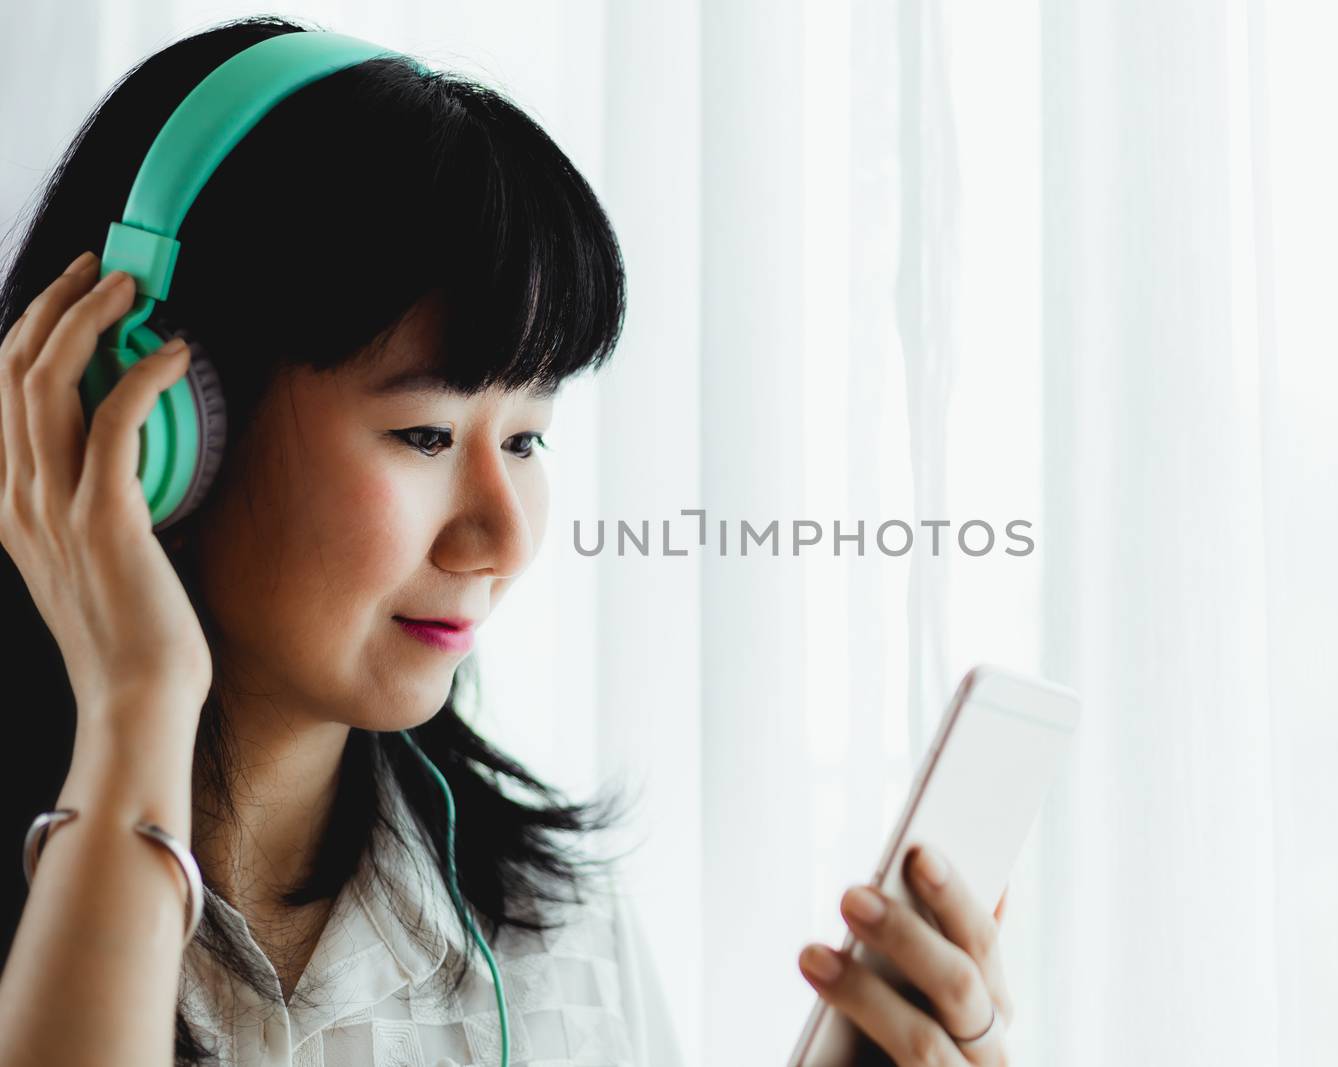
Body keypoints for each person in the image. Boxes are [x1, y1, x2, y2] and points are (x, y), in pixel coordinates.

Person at [0, 15, 1017, 1067]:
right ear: (145, 418)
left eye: (527, 436)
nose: (504, 535)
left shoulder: (552, 928)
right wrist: (137, 704)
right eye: (426, 433)